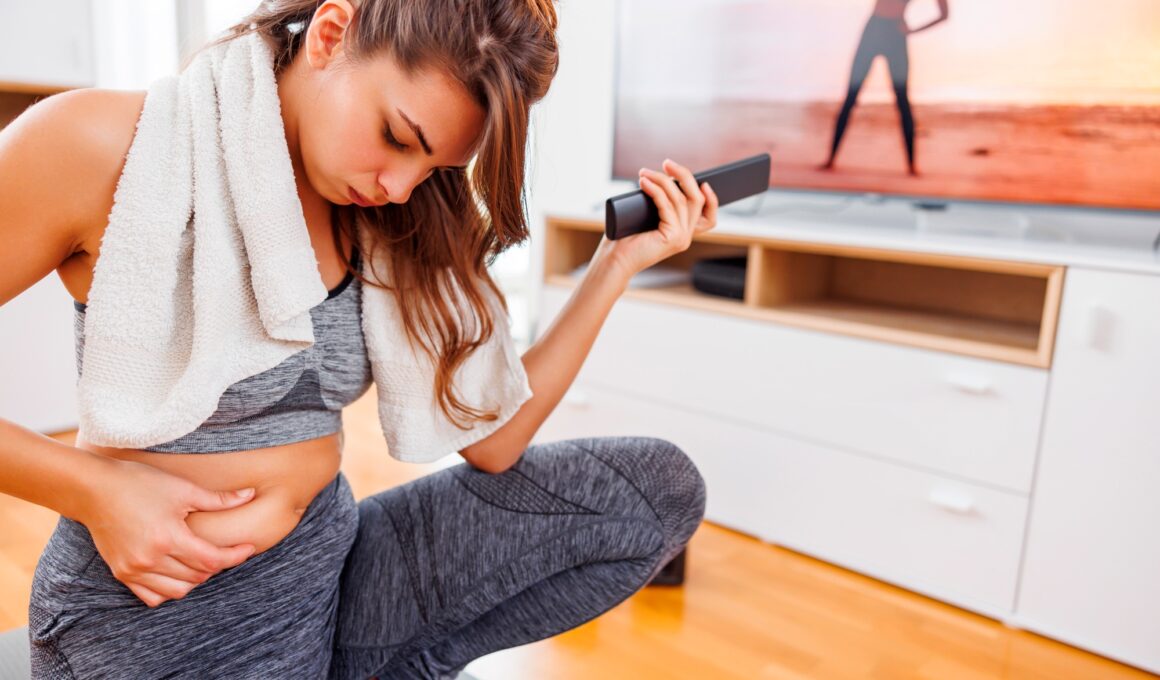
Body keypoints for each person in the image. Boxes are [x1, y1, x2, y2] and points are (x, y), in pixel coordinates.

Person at [0, 0, 718, 677]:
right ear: (332, 31)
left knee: (654, 493)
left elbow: (493, 440)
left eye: (436, 166)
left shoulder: (392, 221)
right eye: (397, 138)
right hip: (159, 621)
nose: (402, 186)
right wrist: (94, 490)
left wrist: (614, 264)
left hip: (331, 570)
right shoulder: (101, 143)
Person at [820, 0, 949, 175]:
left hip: (895, 33)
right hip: (874, 29)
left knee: (902, 100)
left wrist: (912, 31)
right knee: (851, 97)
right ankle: (830, 160)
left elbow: (943, 15)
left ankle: (911, 166)